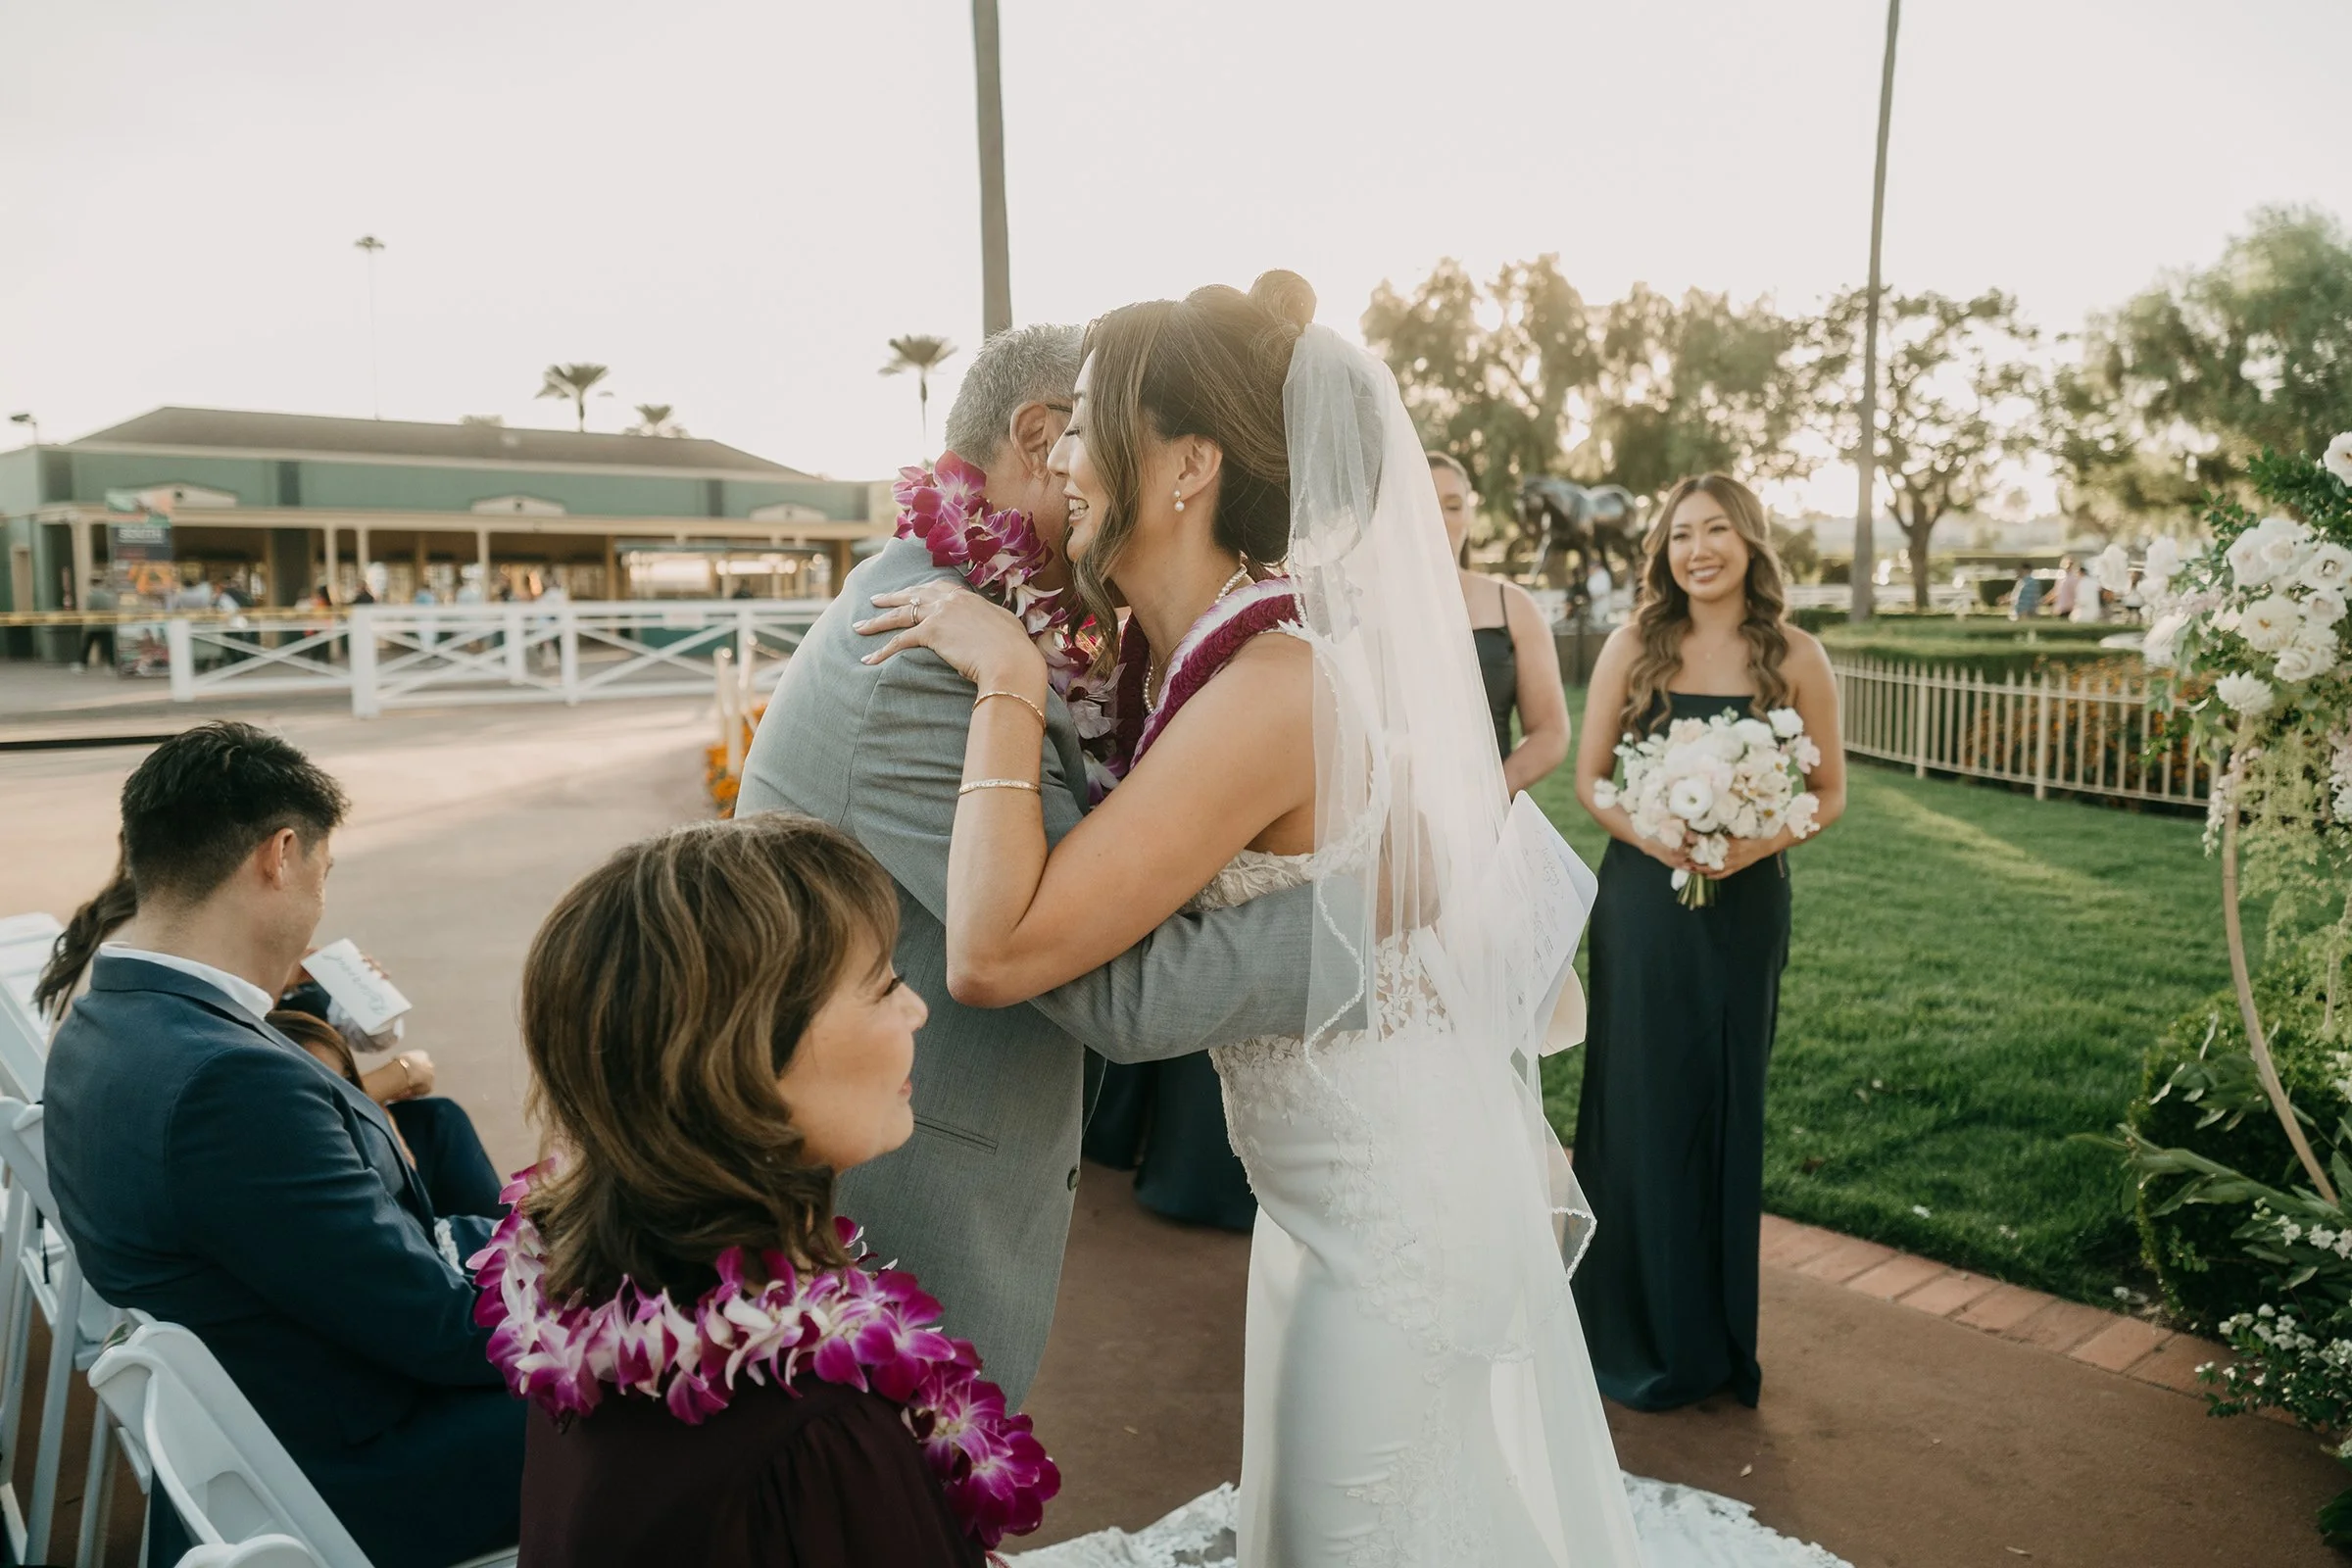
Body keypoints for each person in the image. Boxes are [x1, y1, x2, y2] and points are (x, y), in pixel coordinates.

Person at [858, 272, 1643, 1565]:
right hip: (1317, 1204)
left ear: (1188, 467)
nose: (1057, 452)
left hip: (1397, 1216)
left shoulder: (1272, 688)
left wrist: (1004, 679)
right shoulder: (1188, 657)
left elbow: (998, 951)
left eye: (1090, 420)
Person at [736, 323, 1326, 1409]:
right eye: (1075, 442)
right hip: (882, 1187)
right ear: (1042, 437)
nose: (1075, 475)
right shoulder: (924, 657)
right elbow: (1111, 982)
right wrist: (1359, 934)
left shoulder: (994, 613)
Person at [43, 723, 522, 1568]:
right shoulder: (230, 1087)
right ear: (280, 855)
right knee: (715, 1399)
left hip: (261, 1426)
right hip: (351, 1468)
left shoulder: (104, 1022)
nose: (318, 906)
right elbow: (442, 1332)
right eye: (323, 877)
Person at [502, 814, 1004, 1567]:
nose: (916, 1008)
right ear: (739, 1060)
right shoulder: (813, 1437)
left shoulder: (582, 1297)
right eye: (880, 985)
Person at [1570, 474, 1847, 1412]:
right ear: (1663, 552)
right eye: (1681, 533)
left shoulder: (1797, 657)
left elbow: (1831, 794)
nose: (1699, 549)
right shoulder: (1632, 646)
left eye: (1717, 530)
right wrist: (1660, 838)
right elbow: (1592, 781)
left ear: (1750, 544)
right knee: (1640, 1099)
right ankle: (1622, 1330)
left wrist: (1750, 842)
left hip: (1748, 906)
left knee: (1725, 1102)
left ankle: (1717, 1340)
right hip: (1645, 904)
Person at [1429, 451, 1572, 793]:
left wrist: (1489, 795)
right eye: (1422, 502)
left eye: (1452, 506)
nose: (1438, 519)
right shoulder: (1365, 609)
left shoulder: (1513, 605)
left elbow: (1550, 731)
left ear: (1469, 515)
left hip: (1489, 819)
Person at [79, 577, 118, 670]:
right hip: (106, 625)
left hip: (93, 626)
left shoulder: (91, 596)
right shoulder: (109, 595)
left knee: (87, 646)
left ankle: (83, 665)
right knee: (108, 647)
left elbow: (89, 609)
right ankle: (111, 665)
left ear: (92, 584)